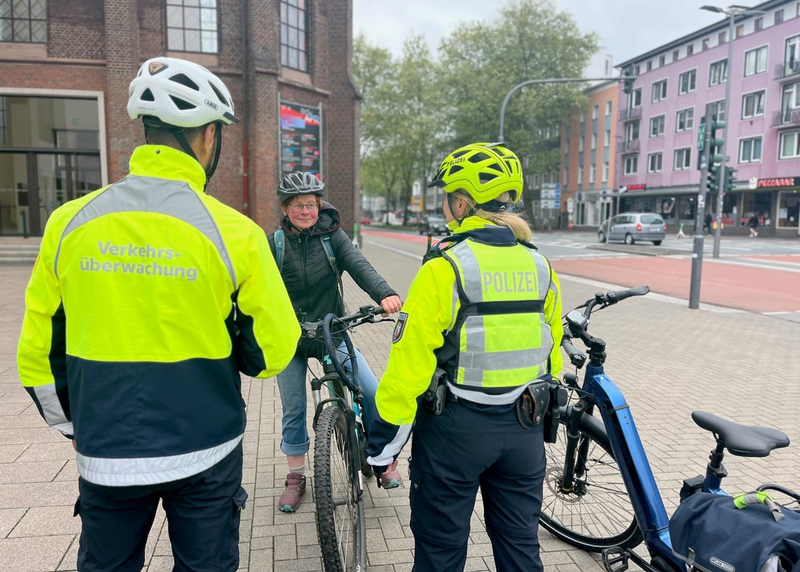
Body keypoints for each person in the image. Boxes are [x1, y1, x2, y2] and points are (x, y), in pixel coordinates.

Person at [17, 56, 300, 572]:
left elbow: (37, 354)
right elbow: (272, 354)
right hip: (206, 448)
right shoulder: (235, 233)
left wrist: (72, 424)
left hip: (105, 446)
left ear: (144, 132)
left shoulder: (67, 223)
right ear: (209, 136)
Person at [366, 142, 564, 572]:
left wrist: (384, 447)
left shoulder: (444, 267)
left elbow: (408, 367)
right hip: (525, 430)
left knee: (441, 551)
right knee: (520, 548)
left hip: (457, 433)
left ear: (461, 202)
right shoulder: (540, 265)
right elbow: (551, 352)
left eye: (446, 199)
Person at [268, 171, 404, 513]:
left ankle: (379, 456)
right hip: (291, 337)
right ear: (285, 208)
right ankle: (296, 477)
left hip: (332, 332)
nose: (305, 211)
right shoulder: (273, 244)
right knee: (294, 406)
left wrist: (385, 293)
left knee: (371, 391)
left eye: (311, 204)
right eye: (297, 205)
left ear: (319, 205)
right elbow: (260, 288)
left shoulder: (333, 238)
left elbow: (361, 267)